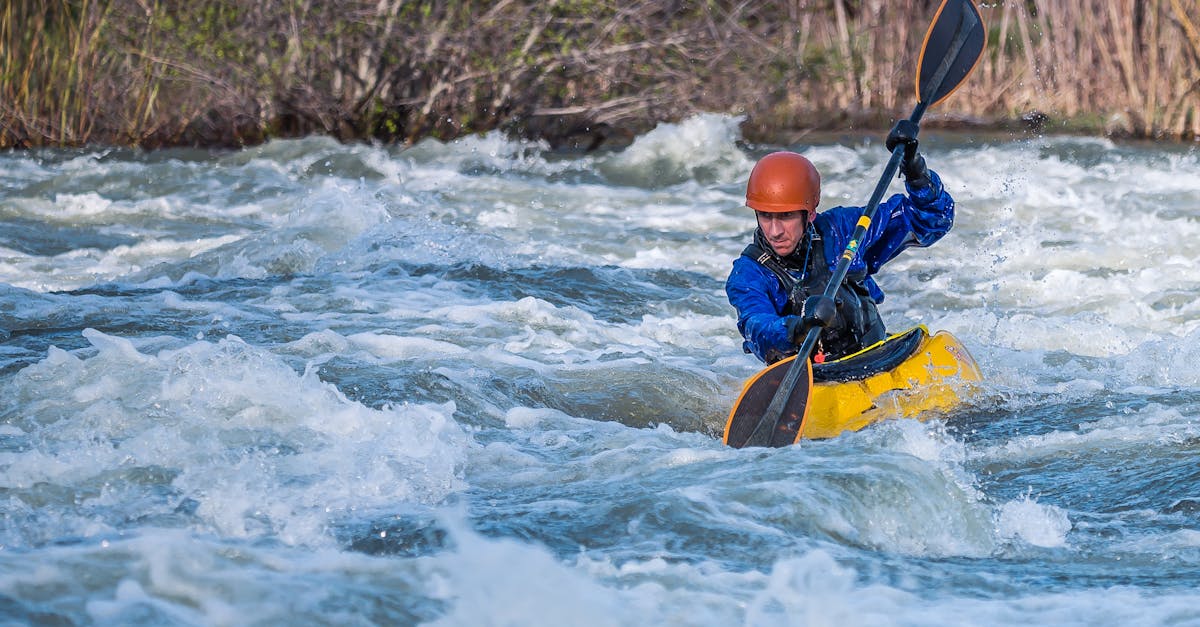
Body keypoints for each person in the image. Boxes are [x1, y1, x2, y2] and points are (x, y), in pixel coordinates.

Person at [725, 121, 955, 365]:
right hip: (814, 376)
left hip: (878, 357)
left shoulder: (842, 230)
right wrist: (799, 327)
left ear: (810, 213)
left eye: (786, 216)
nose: (775, 231)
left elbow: (933, 219)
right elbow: (756, 327)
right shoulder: (748, 273)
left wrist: (916, 171)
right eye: (765, 216)